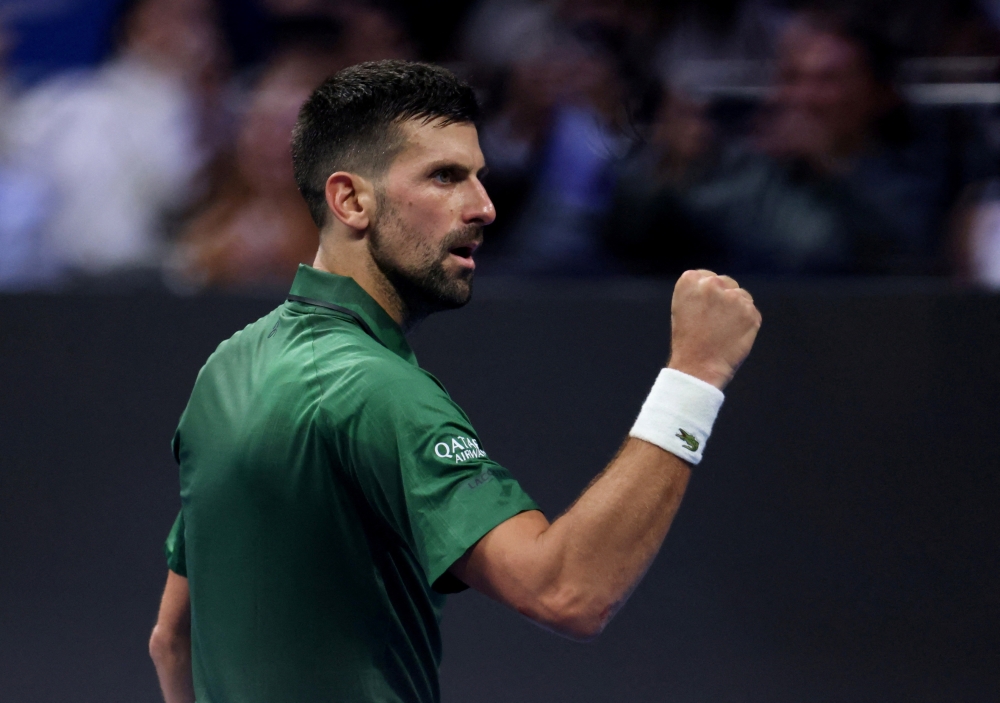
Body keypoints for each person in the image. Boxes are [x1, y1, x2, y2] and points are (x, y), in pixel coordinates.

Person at [148, 60, 761, 703]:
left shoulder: (227, 366)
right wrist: (695, 373)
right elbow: (568, 591)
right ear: (351, 200)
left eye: (479, 177)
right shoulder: (378, 391)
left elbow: (171, 640)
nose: (484, 208)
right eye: (445, 177)